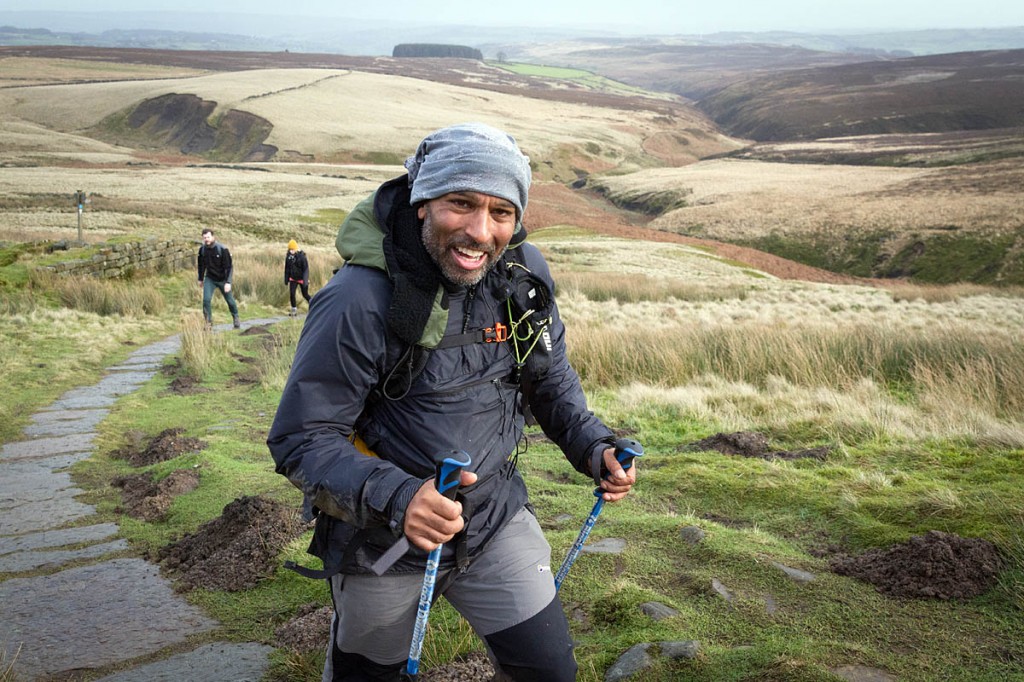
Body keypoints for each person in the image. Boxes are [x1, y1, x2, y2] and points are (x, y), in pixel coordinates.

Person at [267, 122, 637, 682]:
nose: (479, 231)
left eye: (500, 212)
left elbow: (549, 380)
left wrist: (594, 446)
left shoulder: (521, 277)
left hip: (494, 519)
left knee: (550, 672)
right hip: (382, 541)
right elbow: (303, 437)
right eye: (460, 203)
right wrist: (400, 498)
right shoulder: (358, 299)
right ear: (422, 203)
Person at [197, 228, 240, 329]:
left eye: (208, 237)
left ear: (213, 237)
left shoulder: (222, 249)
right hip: (210, 278)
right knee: (206, 300)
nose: (206, 239)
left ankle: (236, 317)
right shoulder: (202, 250)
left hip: (223, 279)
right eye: (204, 238)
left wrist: (228, 282)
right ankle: (208, 323)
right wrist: (200, 278)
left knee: (230, 301)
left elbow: (229, 267)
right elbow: (201, 265)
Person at [284, 238, 312, 316]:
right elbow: (287, 268)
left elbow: (306, 269)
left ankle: (313, 305)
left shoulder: (302, 257)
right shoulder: (288, 258)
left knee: (305, 294)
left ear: (296, 249)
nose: (291, 251)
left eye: (292, 249)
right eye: (290, 249)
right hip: (293, 278)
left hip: (302, 279)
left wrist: (305, 281)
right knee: (292, 294)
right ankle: (294, 310)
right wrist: (286, 279)